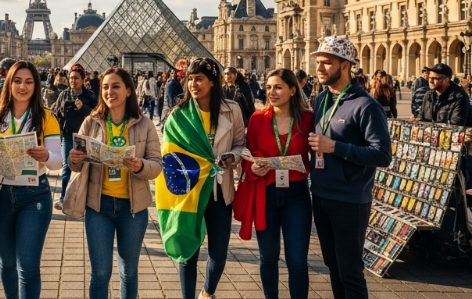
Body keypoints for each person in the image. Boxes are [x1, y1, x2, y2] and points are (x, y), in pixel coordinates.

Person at [0, 61, 62, 299]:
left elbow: (58, 163)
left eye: (29, 82)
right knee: (6, 262)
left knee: (27, 266)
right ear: (9, 84)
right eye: (17, 81)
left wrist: (46, 155)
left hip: (34, 195)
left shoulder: (47, 117)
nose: (22, 86)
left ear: (36, 86)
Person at [64, 67, 161, 299]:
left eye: (116, 86)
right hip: (99, 207)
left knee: (129, 273)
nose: (109, 92)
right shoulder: (91, 122)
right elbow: (75, 166)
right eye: (105, 87)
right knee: (99, 273)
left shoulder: (145, 124)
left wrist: (140, 166)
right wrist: (74, 159)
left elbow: (157, 166)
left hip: (133, 209)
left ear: (129, 90)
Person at [155, 57, 247, 299]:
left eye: (199, 79)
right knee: (188, 253)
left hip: (219, 191)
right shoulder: (178, 114)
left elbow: (241, 145)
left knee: (219, 253)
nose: (193, 84)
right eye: (190, 79)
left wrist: (232, 158)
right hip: (190, 191)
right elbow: (170, 155)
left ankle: (207, 292)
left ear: (213, 82)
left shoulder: (232, 110)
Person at [308, 36, 392, 299]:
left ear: (346, 65)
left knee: (350, 272)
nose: (320, 68)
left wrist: (335, 147)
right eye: (318, 62)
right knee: (333, 267)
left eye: (327, 63)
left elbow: (382, 154)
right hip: (321, 194)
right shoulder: (321, 99)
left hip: (349, 199)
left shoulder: (366, 106)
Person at [234, 68, 314, 299]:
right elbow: (247, 156)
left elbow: (317, 156)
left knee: (297, 261)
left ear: (292, 89)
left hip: (297, 196)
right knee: (268, 258)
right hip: (265, 194)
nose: (271, 92)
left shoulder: (308, 119)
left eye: (278, 87)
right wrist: (253, 168)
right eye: (268, 87)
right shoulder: (257, 119)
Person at [53, 63, 97, 209]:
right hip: (68, 135)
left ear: (83, 79)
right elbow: (56, 113)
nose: (73, 81)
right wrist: (63, 108)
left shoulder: (89, 95)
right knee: (67, 167)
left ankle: (84, 199)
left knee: (85, 168)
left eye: (76, 78)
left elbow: (97, 115)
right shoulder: (64, 94)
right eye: (71, 78)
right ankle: (63, 198)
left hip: (84, 137)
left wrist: (83, 107)